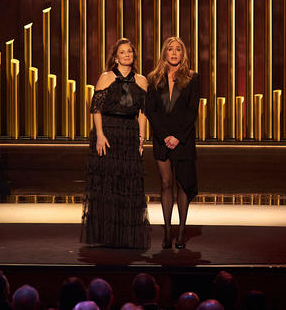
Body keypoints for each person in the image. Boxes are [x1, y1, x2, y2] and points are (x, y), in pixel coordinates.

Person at [81, 38, 150, 249]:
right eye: (122, 52)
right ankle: (107, 234)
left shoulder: (142, 80)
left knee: (127, 182)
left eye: (130, 51)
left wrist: (141, 137)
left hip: (129, 133)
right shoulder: (106, 77)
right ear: (115, 56)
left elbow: (142, 112)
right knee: (108, 182)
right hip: (108, 133)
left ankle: (126, 236)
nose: (127, 55)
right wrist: (100, 135)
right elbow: (96, 109)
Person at [144, 36, 200, 249]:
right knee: (166, 184)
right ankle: (167, 231)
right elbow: (151, 111)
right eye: (170, 49)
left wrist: (177, 136)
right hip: (161, 139)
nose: (174, 53)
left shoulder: (193, 78)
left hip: (183, 140)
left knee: (182, 185)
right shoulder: (153, 78)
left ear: (183, 53)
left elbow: (192, 111)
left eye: (178, 49)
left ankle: (182, 232)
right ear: (164, 53)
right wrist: (165, 135)